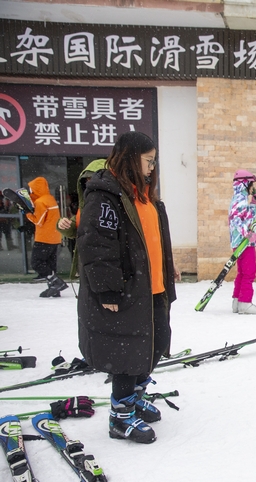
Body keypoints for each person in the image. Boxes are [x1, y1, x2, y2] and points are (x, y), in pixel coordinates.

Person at [76, 131, 178, 444]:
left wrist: (167, 265)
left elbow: (154, 238)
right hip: (126, 290)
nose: (152, 166)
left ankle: (134, 398)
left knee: (157, 342)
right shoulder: (105, 195)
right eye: (148, 160)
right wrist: (107, 290)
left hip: (154, 287)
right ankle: (120, 418)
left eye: (154, 160)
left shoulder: (144, 194)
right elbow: (97, 246)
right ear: (131, 158)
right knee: (127, 353)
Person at [56, 159, 107, 286]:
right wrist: (63, 225)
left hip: (105, 268)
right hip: (87, 267)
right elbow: (75, 228)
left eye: (94, 179)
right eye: (87, 181)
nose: (90, 184)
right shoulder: (85, 206)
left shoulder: (115, 206)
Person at [26, 176, 68, 297]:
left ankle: (56, 282)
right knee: (50, 263)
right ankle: (55, 290)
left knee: (37, 262)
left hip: (44, 237)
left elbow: (38, 221)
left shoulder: (40, 202)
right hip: (55, 236)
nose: (30, 192)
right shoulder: (50, 199)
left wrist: (28, 213)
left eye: (31, 189)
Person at [229, 169, 256, 315]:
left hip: (241, 241)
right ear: (244, 184)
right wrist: (248, 234)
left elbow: (247, 216)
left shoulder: (240, 198)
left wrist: (255, 201)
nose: (252, 187)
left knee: (242, 272)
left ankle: (237, 301)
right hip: (244, 242)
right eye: (250, 185)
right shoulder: (240, 199)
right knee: (249, 272)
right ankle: (245, 302)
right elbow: (236, 219)